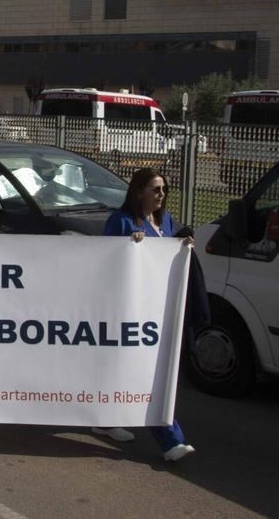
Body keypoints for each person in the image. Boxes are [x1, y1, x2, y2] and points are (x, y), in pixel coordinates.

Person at [100, 168, 199, 462]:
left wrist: (184, 245)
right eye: (155, 189)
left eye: (164, 189)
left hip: (156, 310)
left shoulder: (164, 220)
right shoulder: (120, 221)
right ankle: (170, 441)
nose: (161, 195)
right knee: (148, 375)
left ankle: (104, 419)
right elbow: (103, 261)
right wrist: (130, 247)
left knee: (138, 371)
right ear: (138, 191)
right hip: (127, 310)